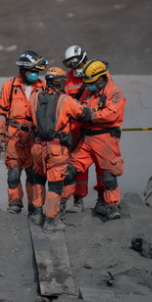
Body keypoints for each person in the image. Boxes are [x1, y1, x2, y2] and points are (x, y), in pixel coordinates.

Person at [26, 67, 92, 230]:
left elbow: (28, 117)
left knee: (38, 179)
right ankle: (51, 220)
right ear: (61, 83)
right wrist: (86, 106)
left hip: (37, 147)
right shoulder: (65, 100)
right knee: (55, 185)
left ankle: (37, 213)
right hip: (56, 149)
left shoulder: (34, 98)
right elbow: (84, 115)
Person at [64, 60, 126, 220]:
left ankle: (111, 206)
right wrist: (78, 111)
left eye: (91, 82)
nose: (89, 86)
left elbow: (111, 114)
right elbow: (80, 106)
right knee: (70, 170)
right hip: (86, 137)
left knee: (108, 175)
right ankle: (62, 205)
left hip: (105, 138)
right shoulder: (88, 91)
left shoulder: (114, 93)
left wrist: (91, 115)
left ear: (101, 78)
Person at [0, 50, 48, 213]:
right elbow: (1, 112)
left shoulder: (43, 87)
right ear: (23, 70)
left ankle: (34, 205)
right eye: (33, 71)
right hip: (13, 135)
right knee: (13, 173)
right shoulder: (9, 86)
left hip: (34, 135)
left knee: (33, 173)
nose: (35, 74)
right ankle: (15, 203)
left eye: (37, 71)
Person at [62, 44, 101, 213]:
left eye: (78, 64)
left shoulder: (99, 73)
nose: (76, 68)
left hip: (98, 127)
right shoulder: (67, 79)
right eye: (72, 65)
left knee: (102, 165)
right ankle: (78, 200)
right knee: (78, 165)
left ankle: (103, 200)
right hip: (75, 128)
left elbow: (107, 96)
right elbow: (62, 101)